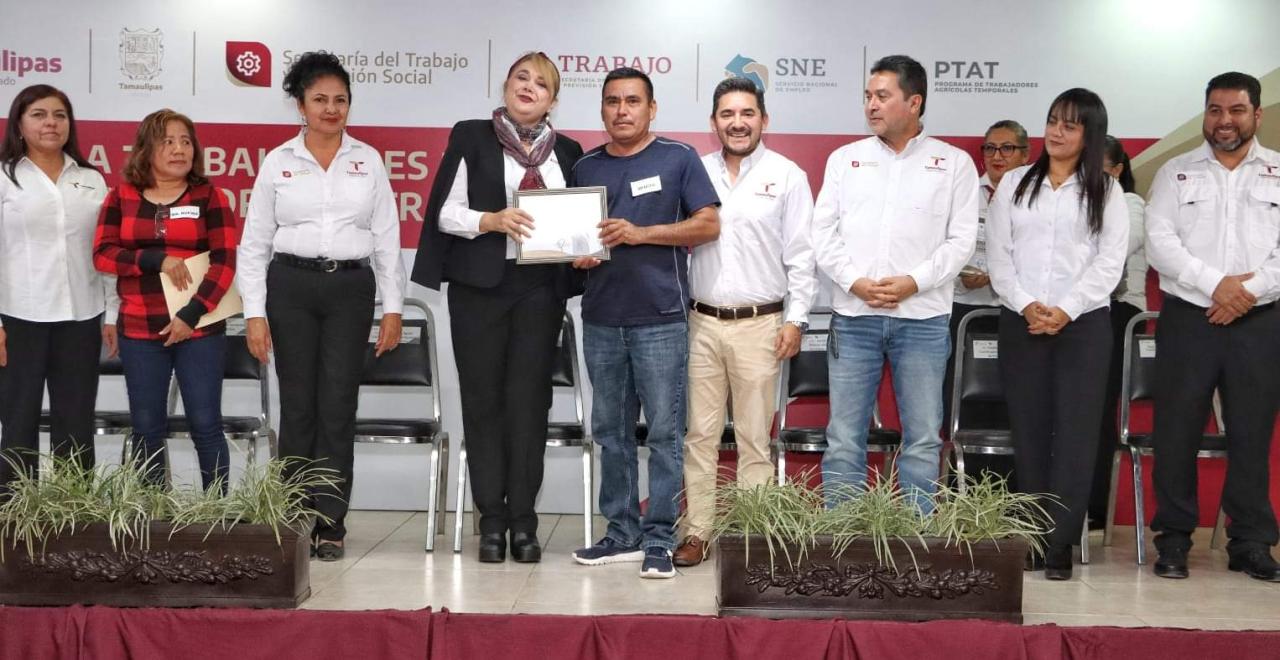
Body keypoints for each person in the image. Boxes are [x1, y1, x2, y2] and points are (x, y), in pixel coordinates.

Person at [411, 52, 584, 563]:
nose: (529, 87)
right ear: (505, 85)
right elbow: (444, 213)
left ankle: (524, 523)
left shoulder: (568, 152)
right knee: (483, 403)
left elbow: (579, 224)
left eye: (541, 84)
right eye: (521, 78)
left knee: (530, 404)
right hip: (479, 287)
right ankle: (490, 521)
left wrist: (587, 247)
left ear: (553, 100)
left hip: (540, 289)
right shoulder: (471, 136)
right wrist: (492, 220)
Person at [238, 51, 406, 561]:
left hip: (349, 290)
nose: (331, 109)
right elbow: (254, 244)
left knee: (338, 406)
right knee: (298, 406)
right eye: (320, 100)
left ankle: (330, 522)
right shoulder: (278, 162)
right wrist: (254, 313)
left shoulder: (368, 160)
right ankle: (294, 516)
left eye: (340, 100)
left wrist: (393, 307)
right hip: (290, 287)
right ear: (300, 105)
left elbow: (387, 239)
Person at [569, 67, 720, 579]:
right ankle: (620, 533)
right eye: (613, 101)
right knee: (610, 432)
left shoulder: (679, 157)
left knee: (664, 434)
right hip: (601, 319)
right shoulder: (585, 166)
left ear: (651, 108)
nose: (622, 110)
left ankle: (659, 538)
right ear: (602, 109)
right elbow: (575, 240)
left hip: (661, 319)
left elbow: (708, 224)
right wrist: (578, 255)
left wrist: (640, 233)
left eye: (633, 101)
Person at [811, 55, 979, 513]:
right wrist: (855, 282)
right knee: (844, 436)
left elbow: (961, 241)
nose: (871, 105)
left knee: (923, 437)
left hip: (923, 319)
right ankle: (843, 534)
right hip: (854, 317)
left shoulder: (955, 164)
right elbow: (822, 233)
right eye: (868, 96)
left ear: (914, 102)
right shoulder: (845, 160)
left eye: (882, 96)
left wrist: (913, 282)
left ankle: (917, 539)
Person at [986, 88, 1128, 580]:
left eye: (1070, 124)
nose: (1056, 132)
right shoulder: (1014, 183)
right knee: (1028, 430)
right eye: (1052, 121)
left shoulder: (1106, 190)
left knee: (1075, 433)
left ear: (1091, 133)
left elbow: (1109, 263)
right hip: (1021, 320)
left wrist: (1065, 310)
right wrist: (1027, 303)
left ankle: (1061, 542)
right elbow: (999, 256)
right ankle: (1031, 536)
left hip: (1083, 326)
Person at [1145, 71, 1280, 582]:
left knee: (1252, 431)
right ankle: (1175, 538)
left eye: (1236, 110)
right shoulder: (1175, 172)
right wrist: (1217, 286)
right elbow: (1160, 243)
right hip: (1189, 318)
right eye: (1215, 110)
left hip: (1260, 321)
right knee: (1176, 430)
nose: (1225, 121)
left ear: (1256, 115)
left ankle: (1250, 542)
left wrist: (1247, 292)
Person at [675, 77, 815, 567]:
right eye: (728, 114)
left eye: (747, 113)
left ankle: (752, 536)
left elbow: (802, 256)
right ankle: (698, 532)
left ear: (764, 120)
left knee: (755, 438)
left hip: (762, 325)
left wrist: (796, 320)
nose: (738, 123)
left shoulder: (787, 175)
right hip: (702, 324)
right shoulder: (694, 170)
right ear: (714, 122)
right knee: (700, 436)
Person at [93, 109, 237, 490]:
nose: (179, 149)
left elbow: (224, 263)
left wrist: (191, 314)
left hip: (199, 328)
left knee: (205, 424)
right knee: (146, 427)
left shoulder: (210, 196)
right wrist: (154, 260)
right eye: (168, 141)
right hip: (140, 328)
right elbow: (103, 255)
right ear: (146, 149)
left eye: (186, 141)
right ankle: (154, 515)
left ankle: (217, 514)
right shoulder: (121, 196)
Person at [0, 85, 116, 487]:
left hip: (82, 317)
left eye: (59, 115)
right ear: (19, 123)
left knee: (76, 421)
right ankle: (15, 513)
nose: (51, 123)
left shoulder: (91, 178)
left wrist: (113, 313)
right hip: (18, 318)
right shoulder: (4, 178)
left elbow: (105, 251)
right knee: (18, 421)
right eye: (39, 114)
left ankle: (74, 513)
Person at [942, 120, 1029, 447]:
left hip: (1017, 310)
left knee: (1012, 399)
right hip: (963, 306)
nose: (997, 156)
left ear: (1025, 154)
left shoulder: (1036, 196)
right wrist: (960, 274)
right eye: (990, 148)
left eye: (1007, 148)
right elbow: (943, 243)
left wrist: (998, 278)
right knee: (958, 398)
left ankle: (1010, 477)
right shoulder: (965, 192)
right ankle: (960, 474)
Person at [1090, 135, 1148, 527]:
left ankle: (1095, 508)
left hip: (1119, 313)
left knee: (1098, 411)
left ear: (1117, 169)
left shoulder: (1131, 204)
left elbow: (1116, 248)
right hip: (1081, 311)